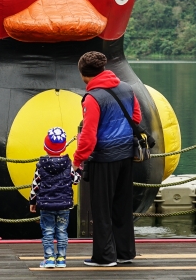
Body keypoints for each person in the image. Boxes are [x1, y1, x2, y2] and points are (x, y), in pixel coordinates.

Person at [72, 51, 140, 267]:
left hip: (104, 158)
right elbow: (136, 117)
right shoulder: (127, 89)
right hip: (127, 155)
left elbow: (89, 135)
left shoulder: (92, 98)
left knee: (101, 209)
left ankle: (104, 257)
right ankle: (125, 252)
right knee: (122, 206)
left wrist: (77, 160)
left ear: (84, 74)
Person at [29, 127, 81, 268]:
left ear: (45, 147)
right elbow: (76, 180)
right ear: (63, 148)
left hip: (46, 205)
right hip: (64, 205)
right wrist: (80, 168)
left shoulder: (41, 166)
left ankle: (49, 258)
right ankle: (61, 259)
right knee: (62, 231)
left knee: (48, 231)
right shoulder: (68, 165)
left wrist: (32, 201)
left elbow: (35, 185)